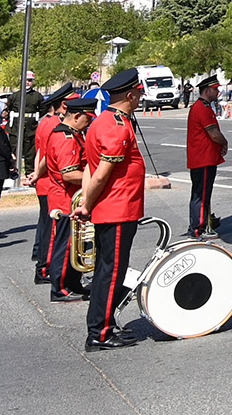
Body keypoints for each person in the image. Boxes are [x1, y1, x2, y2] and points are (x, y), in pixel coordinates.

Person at [75, 68, 148, 350]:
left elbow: (89, 168)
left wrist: (85, 201)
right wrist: (86, 205)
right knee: (111, 271)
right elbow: (101, 174)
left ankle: (105, 326)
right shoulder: (116, 126)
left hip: (116, 206)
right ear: (130, 94)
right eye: (139, 93)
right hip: (117, 207)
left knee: (109, 269)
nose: (141, 97)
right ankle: (100, 332)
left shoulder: (106, 120)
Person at [42, 95, 95, 301]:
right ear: (77, 116)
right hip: (65, 198)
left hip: (68, 195)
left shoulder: (72, 134)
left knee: (73, 245)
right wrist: (96, 179)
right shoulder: (65, 138)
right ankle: (60, 288)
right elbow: (69, 173)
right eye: (88, 118)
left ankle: (72, 283)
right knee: (65, 246)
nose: (89, 122)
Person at [28, 85, 71, 282]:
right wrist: (38, 174)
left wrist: (36, 174)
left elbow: (40, 153)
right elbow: (46, 155)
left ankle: (42, 261)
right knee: (52, 230)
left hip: (44, 181)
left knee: (46, 226)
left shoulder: (45, 121)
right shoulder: (55, 124)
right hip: (50, 181)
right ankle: (43, 268)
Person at [185, 75, 227, 238]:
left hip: (204, 157)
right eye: (215, 89)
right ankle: (198, 228)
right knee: (201, 194)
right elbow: (214, 134)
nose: (217, 92)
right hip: (202, 158)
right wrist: (224, 142)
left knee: (203, 193)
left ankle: (202, 224)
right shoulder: (201, 107)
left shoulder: (203, 106)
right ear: (207, 90)